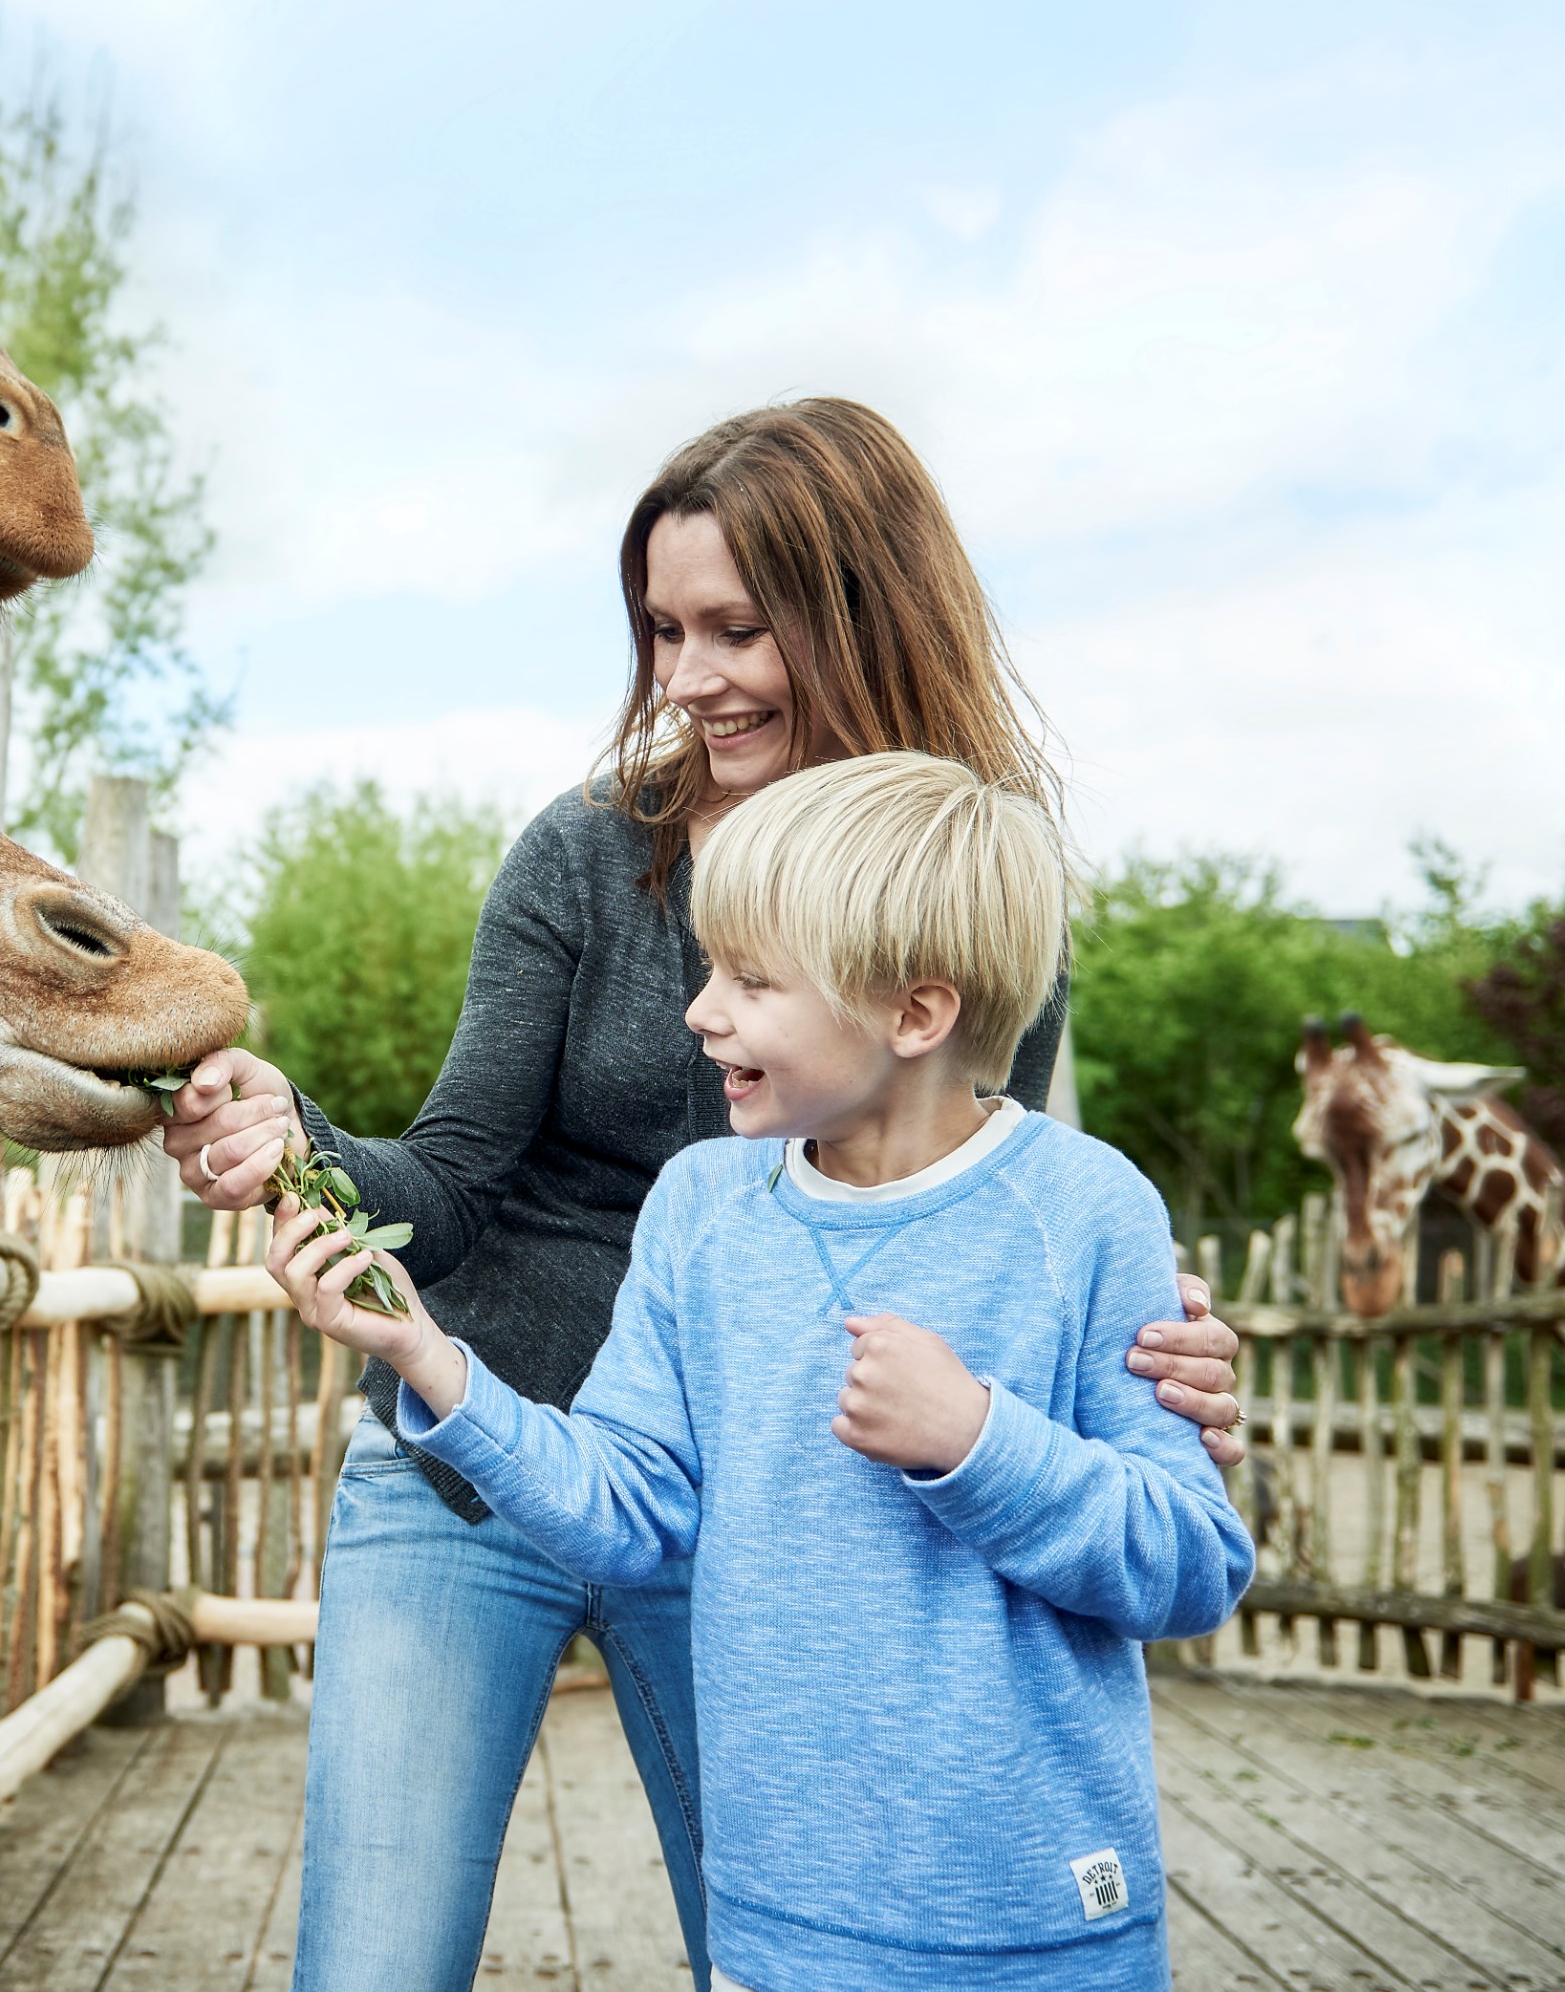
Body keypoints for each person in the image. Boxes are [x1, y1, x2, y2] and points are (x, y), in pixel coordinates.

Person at [157, 399, 1248, 1989]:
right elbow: (452, 1178)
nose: (685, 677)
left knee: (779, 1942)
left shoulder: (969, 887)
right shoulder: (584, 858)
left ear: (861, 611)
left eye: (738, 626)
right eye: (662, 629)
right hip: (483, 1460)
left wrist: (1142, 1353)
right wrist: (299, 1137)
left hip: (751, 1513)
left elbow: (968, 1198)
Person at [280, 751, 1254, 1992]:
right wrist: (427, 1355)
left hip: (1035, 1931)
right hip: (775, 1938)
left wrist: (977, 1441)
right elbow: (631, 1506)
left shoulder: (1086, 1209)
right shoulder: (700, 1209)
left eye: (749, 979)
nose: (699, 1012)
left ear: (914, 1014)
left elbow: (1189, 1562)